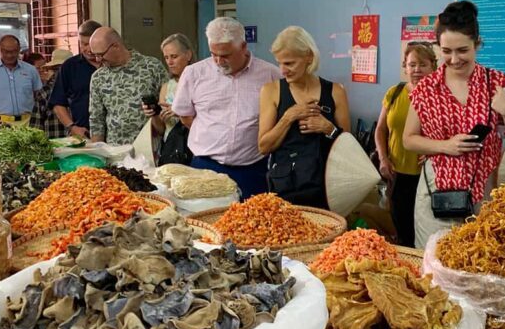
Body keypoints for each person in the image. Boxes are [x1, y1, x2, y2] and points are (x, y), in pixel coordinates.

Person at [403, 1, 505, 249]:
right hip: (436, 192)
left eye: (462, 50)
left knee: (480, 264)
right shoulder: (426, 88)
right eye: (446, 51)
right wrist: (446, 146)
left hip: (486, 190)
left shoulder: (496, 82)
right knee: (433, 266)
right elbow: (409, 139)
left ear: (477, 44)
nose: (454, 59)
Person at [172, 18, 281, 198]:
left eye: (225, 55)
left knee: (251, 222)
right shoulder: (194, 73)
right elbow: (185, 116)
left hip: (253, 169)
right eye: (213, 54)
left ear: (244, 47)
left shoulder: (270, 74)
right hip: (205, 167)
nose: (218, 61)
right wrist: (214, 135)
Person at [258, 26, 351, 208]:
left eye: (290, 63)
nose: (283, 70)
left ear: (309, 56)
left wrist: (328, 128)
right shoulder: (271, 91)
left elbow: (348, 146)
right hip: (286, 189)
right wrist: (288, 117)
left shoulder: (336, 91)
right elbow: (264, 146)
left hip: (326, 188)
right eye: (280, 63)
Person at [374, 41, 437, 247]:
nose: (416, 70)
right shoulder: (395, 93)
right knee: (401, 230)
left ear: (433, 67)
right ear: (405, 67)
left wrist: (433, 151)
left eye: (422, 64)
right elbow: (381, 129)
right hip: (396, 174)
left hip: (426, 177)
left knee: (424, 232)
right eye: (412, 65)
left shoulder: (440, 98)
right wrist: (383, 158)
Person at [88, 27, 168, 145]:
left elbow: (169, 104)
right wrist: (98, 154)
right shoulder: (98, 77)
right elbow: (96, 120)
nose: (98, 59)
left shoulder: (151, 67)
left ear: (116, 46)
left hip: (151, 149)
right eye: (94, 55)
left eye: (100, 54)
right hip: (115, 151)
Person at [142, 33, 193, 165]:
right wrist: (154, 114)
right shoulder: (166, 87)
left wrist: (181, 112)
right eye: (166, 57)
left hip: (195, 147)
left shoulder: (201, 82)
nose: (170, 62)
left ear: (188, 55)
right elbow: (161, 130)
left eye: (174, 57)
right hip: (172, 148)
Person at [49, 20, 101, 139]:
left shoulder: (112, 64)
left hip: (114, 134)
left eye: (91, 44)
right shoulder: (70, 66)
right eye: (83, 44)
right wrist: (72, 127)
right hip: (83, 133)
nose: (87, 49)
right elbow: (58, 102)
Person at [0, 35, 42, 125]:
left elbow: (38, 95)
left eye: (13, 52)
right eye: (5, 51)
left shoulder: (30, 70)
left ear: (19, 49)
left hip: (28, 122)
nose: (9, 55)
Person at [28, 49, 72, 138]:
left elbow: (35, 128)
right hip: (79, 142)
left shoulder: (45, 92)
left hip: (54, 145)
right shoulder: (81, 90)